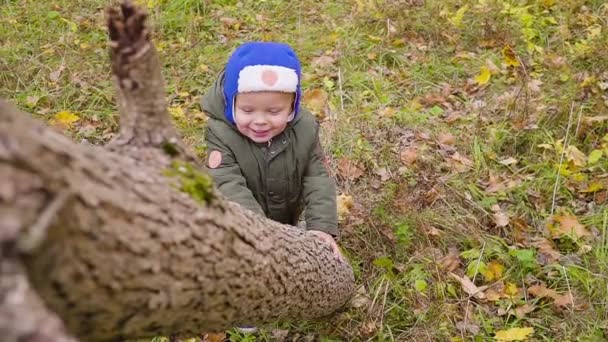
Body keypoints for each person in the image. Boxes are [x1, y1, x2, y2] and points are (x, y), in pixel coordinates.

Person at [200, 41, 343, 334]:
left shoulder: (304, 128)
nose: (260, 121)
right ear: (230, 102)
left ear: (293, 105)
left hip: (287, 216)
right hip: (244, 224)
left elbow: (317, 177)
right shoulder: (221, 134)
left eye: (274, 111)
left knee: (314, 251)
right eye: (248, 110)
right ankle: (245, 305)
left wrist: (321, 226)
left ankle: (302, 287)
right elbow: (227, 184)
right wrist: (261, 235)